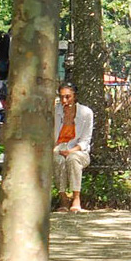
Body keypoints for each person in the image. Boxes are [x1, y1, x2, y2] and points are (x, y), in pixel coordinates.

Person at [52, 82, 95, 213]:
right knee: (58, 158)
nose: (64, 100)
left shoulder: (86, 113)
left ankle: (76, 198)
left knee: (72, 158)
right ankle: (63, 198)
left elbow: (86, 140)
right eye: (61, 97)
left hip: (78, 151)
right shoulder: (55, 111)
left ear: (75, 96)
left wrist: (71, 150)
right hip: (58, 147)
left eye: (68, 97)